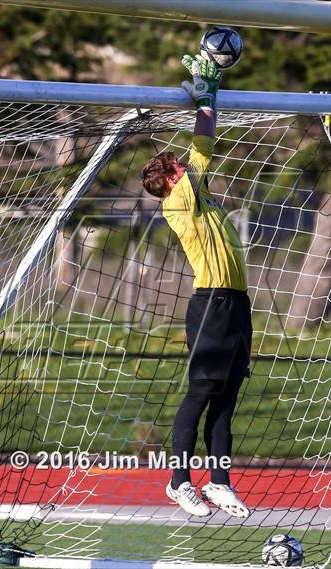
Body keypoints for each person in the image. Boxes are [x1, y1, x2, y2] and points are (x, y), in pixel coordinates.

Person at [141, 55, 252, 519]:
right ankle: (179, 482)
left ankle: (220, 481)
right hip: (210, 306)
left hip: (237, 305)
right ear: (168, 181)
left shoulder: (198, 193)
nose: (185, 168)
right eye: (178, 168)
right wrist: (206, 97)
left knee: (226, 400)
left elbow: (201, 151)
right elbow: (201, 145)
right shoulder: (178, 202)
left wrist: (210, 96)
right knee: (201, 394)